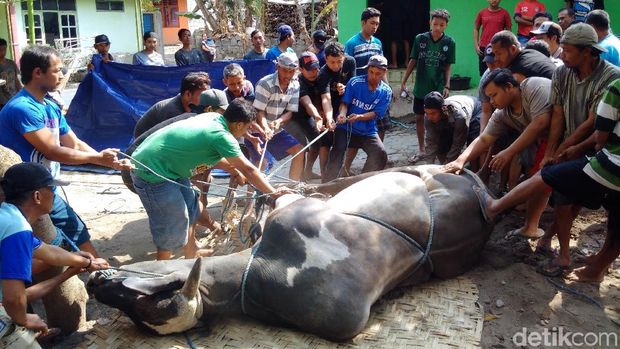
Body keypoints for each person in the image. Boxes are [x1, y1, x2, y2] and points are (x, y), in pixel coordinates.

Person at [476, 78, 620, 283]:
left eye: (569, 49)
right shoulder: (567, 75)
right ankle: (594, 267)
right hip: (584, 151)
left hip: (608, 161)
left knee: (548, 176)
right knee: (614, 219)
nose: (491, 100)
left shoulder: (614, 82)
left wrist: (573, 147)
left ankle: (495, 207)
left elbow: (600, 130)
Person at [0, 46, 132, 258]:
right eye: (57, 70)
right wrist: (96, 158)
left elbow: (74, 143)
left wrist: (108, 161)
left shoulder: (50, 107)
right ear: (37, 73)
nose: (62, 76)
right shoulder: (22, 108)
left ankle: (101, 275)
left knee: (75, 230)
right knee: (35, 245)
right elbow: (53, 151)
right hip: (21, 194)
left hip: (45, 188)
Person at [130, 99, 291, 260]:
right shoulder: (221, 136)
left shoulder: (214, 117)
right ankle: (161, 269)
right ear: (239, 125)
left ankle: (191, 253)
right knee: (173, 220)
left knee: (191, 205)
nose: (246, 132)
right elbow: (249, 169)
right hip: (151, 170)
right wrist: (274, 193)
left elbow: (208, 154)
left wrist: (235, 170)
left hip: (168, 165)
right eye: (247, 127)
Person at [532, 23, 620, 268]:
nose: (563, 54)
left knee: (577, 199)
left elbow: (594, 123)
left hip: (598, 148)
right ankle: (562, 254)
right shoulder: (562, 72)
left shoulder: (611, 77)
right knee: (563, 197)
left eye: (568, 50)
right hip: (571, 143)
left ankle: (554, 243)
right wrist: (552, 150)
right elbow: (558, 114)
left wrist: (567, 150)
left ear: (588, 51)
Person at [0, 162, 110, 341]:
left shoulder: (8, 217)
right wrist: (24, 319)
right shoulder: (16, 229)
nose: (54, 193)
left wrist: (84, 262)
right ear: (37, 196)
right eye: (51, 188)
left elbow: (49, 252)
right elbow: (12, 300)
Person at [442, 70, 553, 238]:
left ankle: (499, 208)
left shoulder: (533, 87)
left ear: (508, 87)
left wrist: (509, 152)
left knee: (543, 178)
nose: (492, 101)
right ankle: (530, 226)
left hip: (565, 134)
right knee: (539, 178)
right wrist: (460, 160)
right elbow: (485, 139)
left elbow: (541, 122)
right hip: (544, 140)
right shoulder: (502, 114)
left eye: (494, 95)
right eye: (489, 98)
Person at [323, 55, 391, 182]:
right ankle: (327, 183)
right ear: (367, 69)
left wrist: (360, 117)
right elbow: (345, 103)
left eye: (378, 74)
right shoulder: (355, 82)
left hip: (367, 130)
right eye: (371, 72)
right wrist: (342, 114)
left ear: (384, 72)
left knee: (380, 153)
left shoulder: (386, 91)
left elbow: (376, 114)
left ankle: (363, 181)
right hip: (346, 127)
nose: (373, 76)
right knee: (338, 150)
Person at [401, 9, 456, 164]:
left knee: (438, 118)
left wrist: (447, 85)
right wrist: (404, 80)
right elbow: (413, 60)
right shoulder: (420, 39)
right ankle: (422, 149)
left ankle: (439, 148)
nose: (438, 27)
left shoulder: (449, 43)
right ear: (430, 23)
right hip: (421, 87)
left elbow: (447, 66)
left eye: (442, 25)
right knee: (419, 117)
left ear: (446, 26)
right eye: (435, 23)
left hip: (437, 88)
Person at [248, 52, 304, 181]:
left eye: (292, 71)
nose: (288, 75)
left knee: (299, 150)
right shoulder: (265, 83)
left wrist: (279, 121)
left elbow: (290, 111)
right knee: (264, 163)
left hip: (275, 130)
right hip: (256, 130)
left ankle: (293, 187)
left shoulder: (295, 85)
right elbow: (258, 111)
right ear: (277, 67)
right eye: (285, 70)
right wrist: (265, 128)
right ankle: (252, 198)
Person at [286, 52, 333, 180]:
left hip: (308, 116)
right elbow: (307, 103)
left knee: (316, 141)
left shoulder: (321, 77)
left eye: (316, 68)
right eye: (310, 69)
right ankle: (299, 177)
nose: (314, 71)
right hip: (292, 116)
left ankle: (308, 171)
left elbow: (325, 98)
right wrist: (317, 117)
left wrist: (326, 117)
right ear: (300, 69)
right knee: (301, 147)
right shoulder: (297, 82)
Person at [317, 42, 357, 175]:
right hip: (330, 107)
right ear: (326, 59)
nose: (336, 66)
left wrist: (346, 89)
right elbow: (325, 98)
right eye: (332, 62)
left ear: (344, 57)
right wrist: (329, 118)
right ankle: (325, 173)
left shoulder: (350, 62)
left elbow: (353, 85)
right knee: (326, 140)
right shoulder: (323, 73)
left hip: (348, 105)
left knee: (345, 140)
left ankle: (344, 169)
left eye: (339, 61)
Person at [133, 72, 211, 138]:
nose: (206, 97)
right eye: (202, 95)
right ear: (188, 94)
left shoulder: (196, 106)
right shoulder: (171, 111)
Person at [422, 92, 481, 165]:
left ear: (443, 109)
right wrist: (428, 165)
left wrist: (447, 165)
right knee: (442, 144)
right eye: (427, 113)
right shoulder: (428, 117)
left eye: (433, 113)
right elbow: (431, 141)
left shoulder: (460, 117)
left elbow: (458, 144)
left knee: (472, 143)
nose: (429, 117)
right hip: (451, 115)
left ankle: (475, 170)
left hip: (476, 111)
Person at [490, 30, 556, 82]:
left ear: (513, 49)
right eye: (494, 54)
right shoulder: (532, 52)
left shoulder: (516, 72)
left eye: (499, 54)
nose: (495, 59)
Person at [474, 0, 512, 76]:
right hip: (484, 47)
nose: (494, 0)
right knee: (484, 73)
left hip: (499, 47)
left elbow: (509, 31)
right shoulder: (482, 13)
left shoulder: (505, 13)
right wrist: (476, 45)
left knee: (499, 72)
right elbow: (476, 29)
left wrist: (507, 46)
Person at [344, 7, 383, 77]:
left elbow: (381, 67)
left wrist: (387, 86)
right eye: (372, 23)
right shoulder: (351, 44)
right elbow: (347, 70)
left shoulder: (378, 43)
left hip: (374, 86)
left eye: (377, 24)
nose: (375, 27)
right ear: (363, 23)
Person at [0, 38, 22, 110]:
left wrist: (21, 94)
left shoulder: (11, 63)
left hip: (13, 99)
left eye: (4, 49)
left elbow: (17, 80)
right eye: (0, 49)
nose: (2, 51)